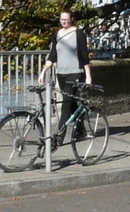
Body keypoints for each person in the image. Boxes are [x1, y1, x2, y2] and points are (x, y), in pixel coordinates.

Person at [37, 9, 92, 138]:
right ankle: (81, 130)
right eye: (62, 19)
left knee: (66, 105)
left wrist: (88, 76)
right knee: (71, 103)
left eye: (66, 19)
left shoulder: (79, 34)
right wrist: (43, 72)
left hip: (75, 73)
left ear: (72, 19)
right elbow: (52, 56)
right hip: (61, 74)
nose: (64, 22)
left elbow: (84, 57)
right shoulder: (57, 34)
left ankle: (59, 135)